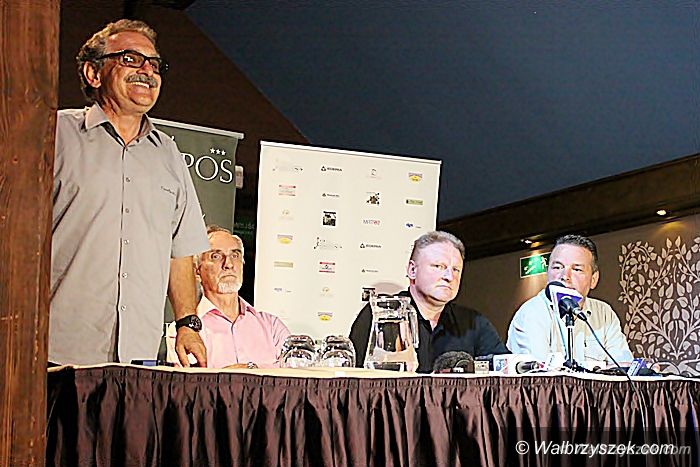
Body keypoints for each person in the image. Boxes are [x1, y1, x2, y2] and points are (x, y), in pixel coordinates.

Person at [51, 19, 209, 366]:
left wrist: (187, 323)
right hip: (56, 350)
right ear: (94, 73)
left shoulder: (168, 154)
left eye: (154, 64)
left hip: (138, 356)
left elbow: (179, 251)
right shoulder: (54, 134)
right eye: (130, 59)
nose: (147, 71)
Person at [349, 231, 508, 373]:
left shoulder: (474, 323)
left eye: (455, 269)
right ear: (412, 270)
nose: (449, 277)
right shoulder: (381, 315)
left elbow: (505, 372)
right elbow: (355, 380)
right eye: (438, 266)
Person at [166, 226, 290, 368]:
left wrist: (251, 369)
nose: (229, 264)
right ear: (197, 271)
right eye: (216, 256)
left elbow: (296, 374)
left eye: (235, 255)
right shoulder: (185, 332)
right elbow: (187, 381)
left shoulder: (272, 326)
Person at [507, 234, 633, 367]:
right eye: (557, 267)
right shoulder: (532, 313)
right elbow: (541, 373)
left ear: (593, 279)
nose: (565, 276)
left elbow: (623, 366)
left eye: (577, 269)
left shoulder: (604, 313)